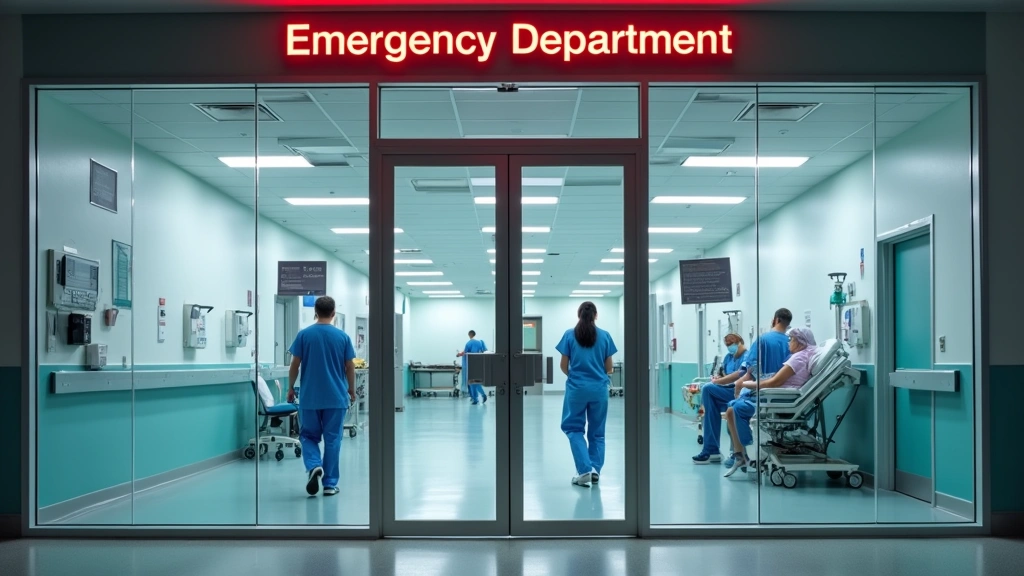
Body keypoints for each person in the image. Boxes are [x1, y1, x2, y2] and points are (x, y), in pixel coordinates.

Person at [692, 308, 793, 465]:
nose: (729, 346)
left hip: (759, 392)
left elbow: (748, 372)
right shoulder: (792, 344)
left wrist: (737, 385)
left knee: (724, 401)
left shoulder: (762, 340)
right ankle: (721, 451)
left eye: (731, 343)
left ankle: (733, 452)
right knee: (714, 395)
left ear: (775, 320)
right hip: (785, 395)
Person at [723, 327, 819, 477]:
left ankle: (750, 454)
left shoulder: (799, 358)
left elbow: (775, 382)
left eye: (791, 340)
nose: (788, 343)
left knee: (738, 408)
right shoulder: (800, 355)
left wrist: (749, 384)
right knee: (730, 411)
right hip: (778, 395)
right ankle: (740, 455)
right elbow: (776, 379)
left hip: (779, 398)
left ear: (800, 342)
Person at [286, 296, 357, 497]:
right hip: (336, 397)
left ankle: (314, 465)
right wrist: (351, 389)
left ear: (315, 312)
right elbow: (350, 366)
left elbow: (295, 364)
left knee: (308, 436)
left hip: (310, 397)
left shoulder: (304, 335)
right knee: (333, 439)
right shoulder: (342, 337)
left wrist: (290, 387)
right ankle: (330, 484)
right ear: (333, 313)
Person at [557, 301, 618, 488]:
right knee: (597, 433)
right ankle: (595, 470)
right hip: (599, 390)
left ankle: (584, 470)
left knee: (573, 428)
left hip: (576, 389)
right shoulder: (605, 336)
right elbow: (609, 367)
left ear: (579, 315)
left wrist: (576, 377)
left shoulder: (569, 335)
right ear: (596, 315)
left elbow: (563, 366)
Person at [456, 330, 488, 405]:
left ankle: (476, 399)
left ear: (469, 335)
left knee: (472, 382)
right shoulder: (480, 342)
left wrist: (459, 354)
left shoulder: (469, 343)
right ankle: (480, 396)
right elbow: (484, 351)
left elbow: (465, 352)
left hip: (470, 365)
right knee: (476, 382)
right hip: (478, 365)